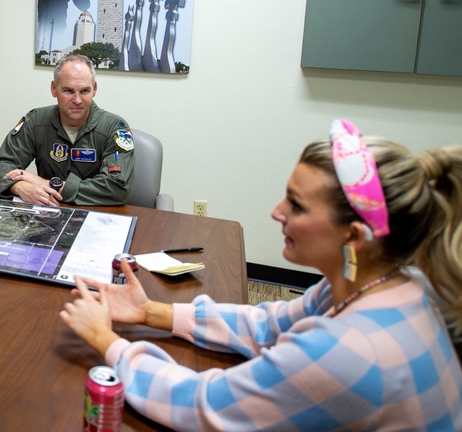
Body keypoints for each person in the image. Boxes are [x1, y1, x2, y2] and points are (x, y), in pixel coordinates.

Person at [60, 119, 462, 429]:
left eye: (298, 206)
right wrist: (152, 312)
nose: (277, 211)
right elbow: (269, 324)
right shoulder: (384, 283)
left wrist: (105, 339)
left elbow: (202, 405)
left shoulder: (350, 351)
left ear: (354, 236)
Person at [0, 53, 134, 206]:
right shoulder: (36, 121)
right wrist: (20, 187)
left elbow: (117, 187)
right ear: (54, 89)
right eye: (68, 91)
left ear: (94, 89)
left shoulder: (115, 128)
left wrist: (48, 184)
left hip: (97, 215)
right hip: (46, 213)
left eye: (84, 91)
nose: (77, 100)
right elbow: (2, 165)